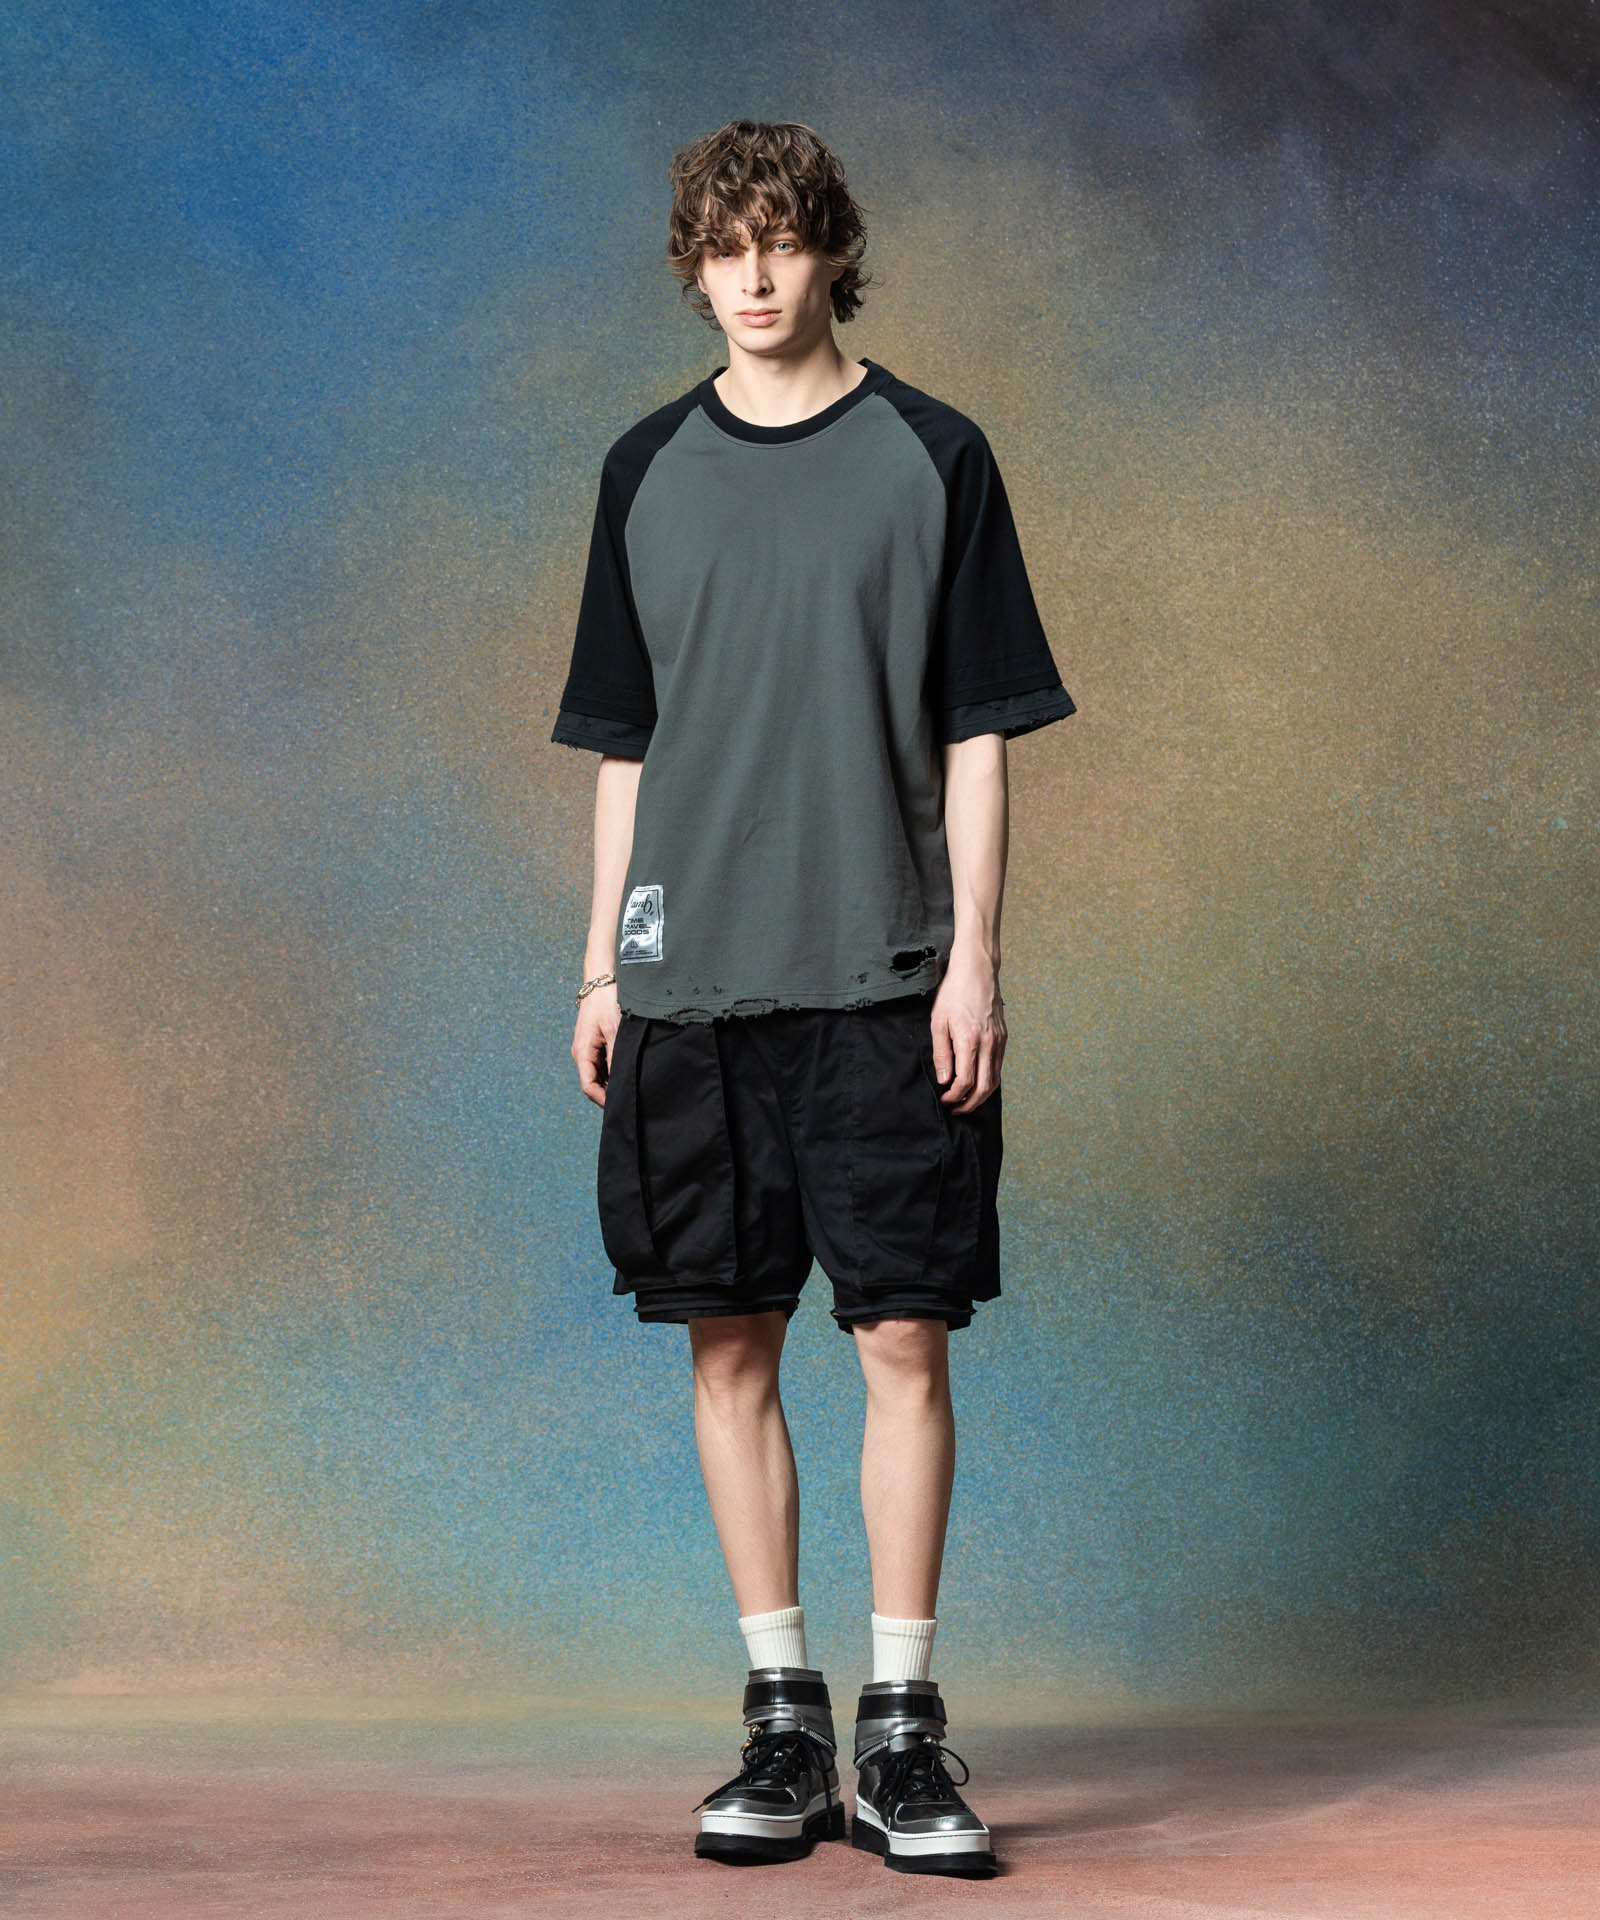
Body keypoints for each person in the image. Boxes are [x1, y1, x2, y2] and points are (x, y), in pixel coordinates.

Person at [551, 119, 1074, 1878]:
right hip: (690, 982)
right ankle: (783, 1723)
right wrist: (601, 963)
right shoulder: (643, 469)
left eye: (782, 241)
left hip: (883, 977)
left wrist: (975, 956)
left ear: (835, 251)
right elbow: (623, 745)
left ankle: (902, 1734)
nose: (756, 277)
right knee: (731, 1342)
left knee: (903, 1336)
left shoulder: (937, 455)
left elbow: (981, 731)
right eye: (725, 248)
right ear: (693, 268)